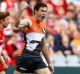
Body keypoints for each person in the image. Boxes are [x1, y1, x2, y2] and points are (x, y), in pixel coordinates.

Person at [14, 2, 54, 74]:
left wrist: (49, 63)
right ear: (35, 11)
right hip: (26, 58)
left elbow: (44, 46)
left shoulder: (43, 25)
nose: (44, 13)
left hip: (37, 58)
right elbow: (17, 25)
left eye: (45, 11)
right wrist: (20, 11)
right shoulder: (29, 21)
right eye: (42, 11)